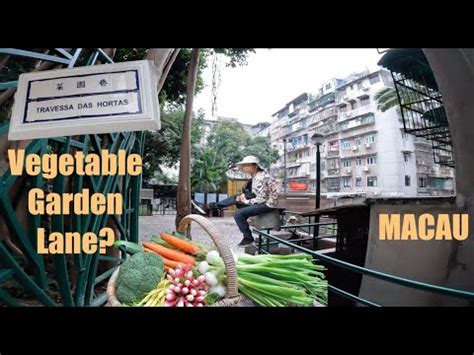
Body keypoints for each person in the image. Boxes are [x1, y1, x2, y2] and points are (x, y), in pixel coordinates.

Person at [192, 155, 279, 246]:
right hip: (260, 200)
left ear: (255, 166)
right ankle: (208, 206)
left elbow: (262, 199)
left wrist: (245, 201)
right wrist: (243, 196)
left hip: (268, 204)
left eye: (248, 165)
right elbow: (254, 194)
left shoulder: (261, 178)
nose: (245, 167)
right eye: (244, 165)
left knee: (238, 214)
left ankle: (248, 238)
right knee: (236, 198)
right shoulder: (254, 177)